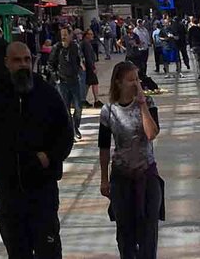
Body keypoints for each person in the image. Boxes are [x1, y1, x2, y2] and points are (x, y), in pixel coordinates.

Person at [0, 38, 74, 259]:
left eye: (27, 59)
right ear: (7, 63)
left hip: (43, 192)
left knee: (49, 250)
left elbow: (66, 133)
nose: (23, 65)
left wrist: (49, 157)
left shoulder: (47, 94)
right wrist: (2, 162)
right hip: (9, 194)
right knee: (18, 252)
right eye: (17, 60)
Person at [98, 59, 163, 259]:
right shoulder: (108, 111)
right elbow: (104, 147)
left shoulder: (148, 103)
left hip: (147, 174)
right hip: (121, 177)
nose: (136, 84)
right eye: (130, 80)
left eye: (137, 79)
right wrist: (104, 179)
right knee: (125, 233)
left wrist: (142, 105)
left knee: (148, 233)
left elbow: (152, 134)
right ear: (118, 82)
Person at [49, 26, 84, 140]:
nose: (63, 36)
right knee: (66, 108)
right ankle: (71, 132)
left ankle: (76, 126)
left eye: (65, 34)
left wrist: (80, 69)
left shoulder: (75, 46)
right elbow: (51, 64)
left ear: (70, 35)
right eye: (61, 34)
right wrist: (56, 78)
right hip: (62, 82)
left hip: (74, 81)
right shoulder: (56, 48)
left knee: (78, 108)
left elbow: (79, 60)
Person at [82, 30, 100, 107]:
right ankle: (96, 100)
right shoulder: (86, 44)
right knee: (94, 83)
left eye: (92, 34)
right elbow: (88, 57)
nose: (92, 35)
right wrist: (93, 67)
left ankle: (83, 99)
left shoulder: (86, 43)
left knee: (88, 84)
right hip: (89, 67)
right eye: (90, 34)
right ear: (86, 35)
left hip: (88, 66)